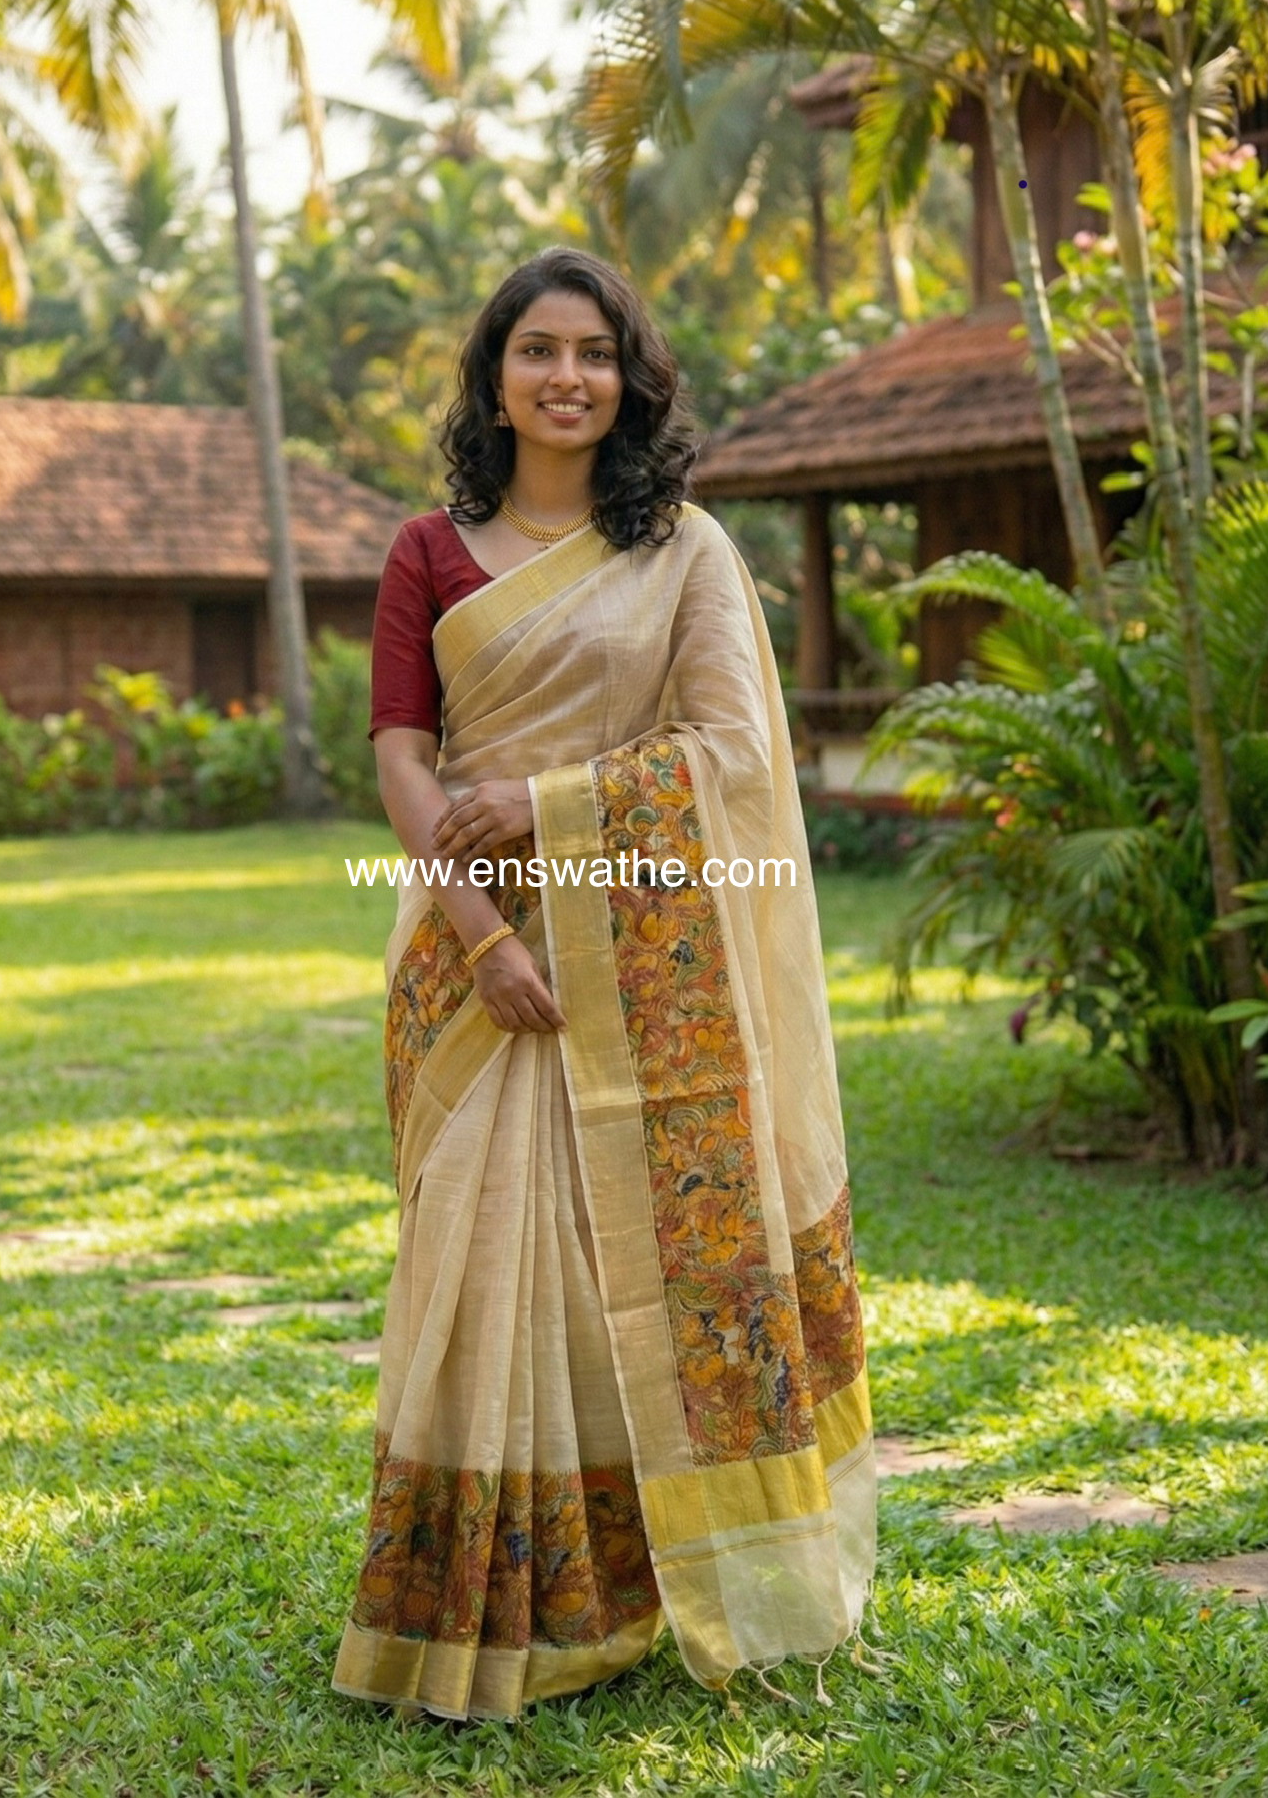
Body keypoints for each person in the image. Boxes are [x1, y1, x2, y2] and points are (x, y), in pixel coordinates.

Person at [333, 247, 874, 1722]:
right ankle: (490, 1602)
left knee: (626, 1262)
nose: (564, 377)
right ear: (493, 376)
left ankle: (626, 1586)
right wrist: (484, 937)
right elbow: (401, 756)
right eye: (535, 351)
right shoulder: (427, 551)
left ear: (629, 378)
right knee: (481, 1258)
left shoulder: (684, 551)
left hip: (636, 967)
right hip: (468, 958)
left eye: (592, 352)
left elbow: (737, 756)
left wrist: (555, 805)